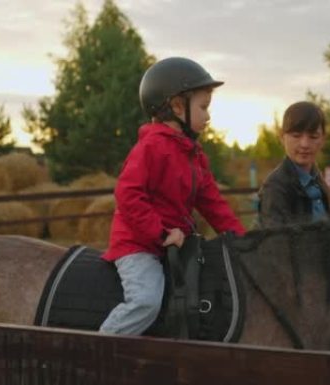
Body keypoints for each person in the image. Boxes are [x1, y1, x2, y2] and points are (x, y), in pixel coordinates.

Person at [100, 57, 246, 336]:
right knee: (145, 301)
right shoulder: (151, 147)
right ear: (178, 107)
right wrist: (160, 233)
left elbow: (212, 202)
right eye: (203, 107)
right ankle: (97, 349)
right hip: (139, 244)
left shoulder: (193, 153)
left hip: (174, 243)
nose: (208, 116)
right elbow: (128, 194)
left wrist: (241, 240)